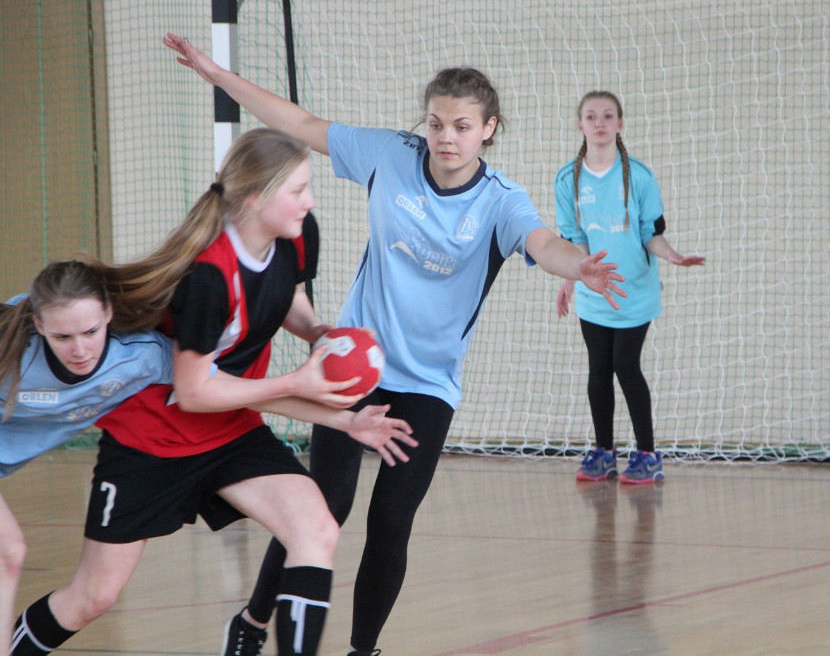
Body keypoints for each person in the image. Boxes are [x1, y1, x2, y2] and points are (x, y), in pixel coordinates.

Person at [162, 32, 627, 656]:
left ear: (488, 129)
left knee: (391, 520)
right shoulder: (389, 154)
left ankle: (362, 650)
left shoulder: (500, 201)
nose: (445, 137)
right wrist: (220, 75)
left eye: (462, 126)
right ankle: (252, 621)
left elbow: (542, 243)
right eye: (436, 123)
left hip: (428, 384)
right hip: (352, 367)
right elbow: (300, 123)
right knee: (323, 506)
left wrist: (580, 266)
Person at [9, 128, 417, 656]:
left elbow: (287, 295)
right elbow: (195, 392)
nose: (310, 201)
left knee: (315, 530)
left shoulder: (297, 233)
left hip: (233, 425)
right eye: (297, 190)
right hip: (154, 437)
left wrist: (320, 337)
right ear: (255, 199)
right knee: (92, 598)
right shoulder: (207, 275)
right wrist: (301, 385)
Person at [0, 260, 175, 652]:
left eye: (90, 332)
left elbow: (209, 385)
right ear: (39, 324)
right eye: (62, 337)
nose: (79, 350)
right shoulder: (13, 350)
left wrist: (302, 393)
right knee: (8, 553)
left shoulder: (142, 355)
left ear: (109, 313)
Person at [554, 91, 705, 484]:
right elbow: (574, 239)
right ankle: (604, 453)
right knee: (598, 371)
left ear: (620, 124)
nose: (599, 123)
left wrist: (672, 255)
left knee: (625, 365)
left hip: (634, 291)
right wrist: (571, 281)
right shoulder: (567, 179)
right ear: (580, 125)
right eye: (591, 116)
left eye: (607, 116)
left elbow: (651, 233)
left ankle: (648, 456)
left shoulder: (638, 176)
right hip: (594, 294)